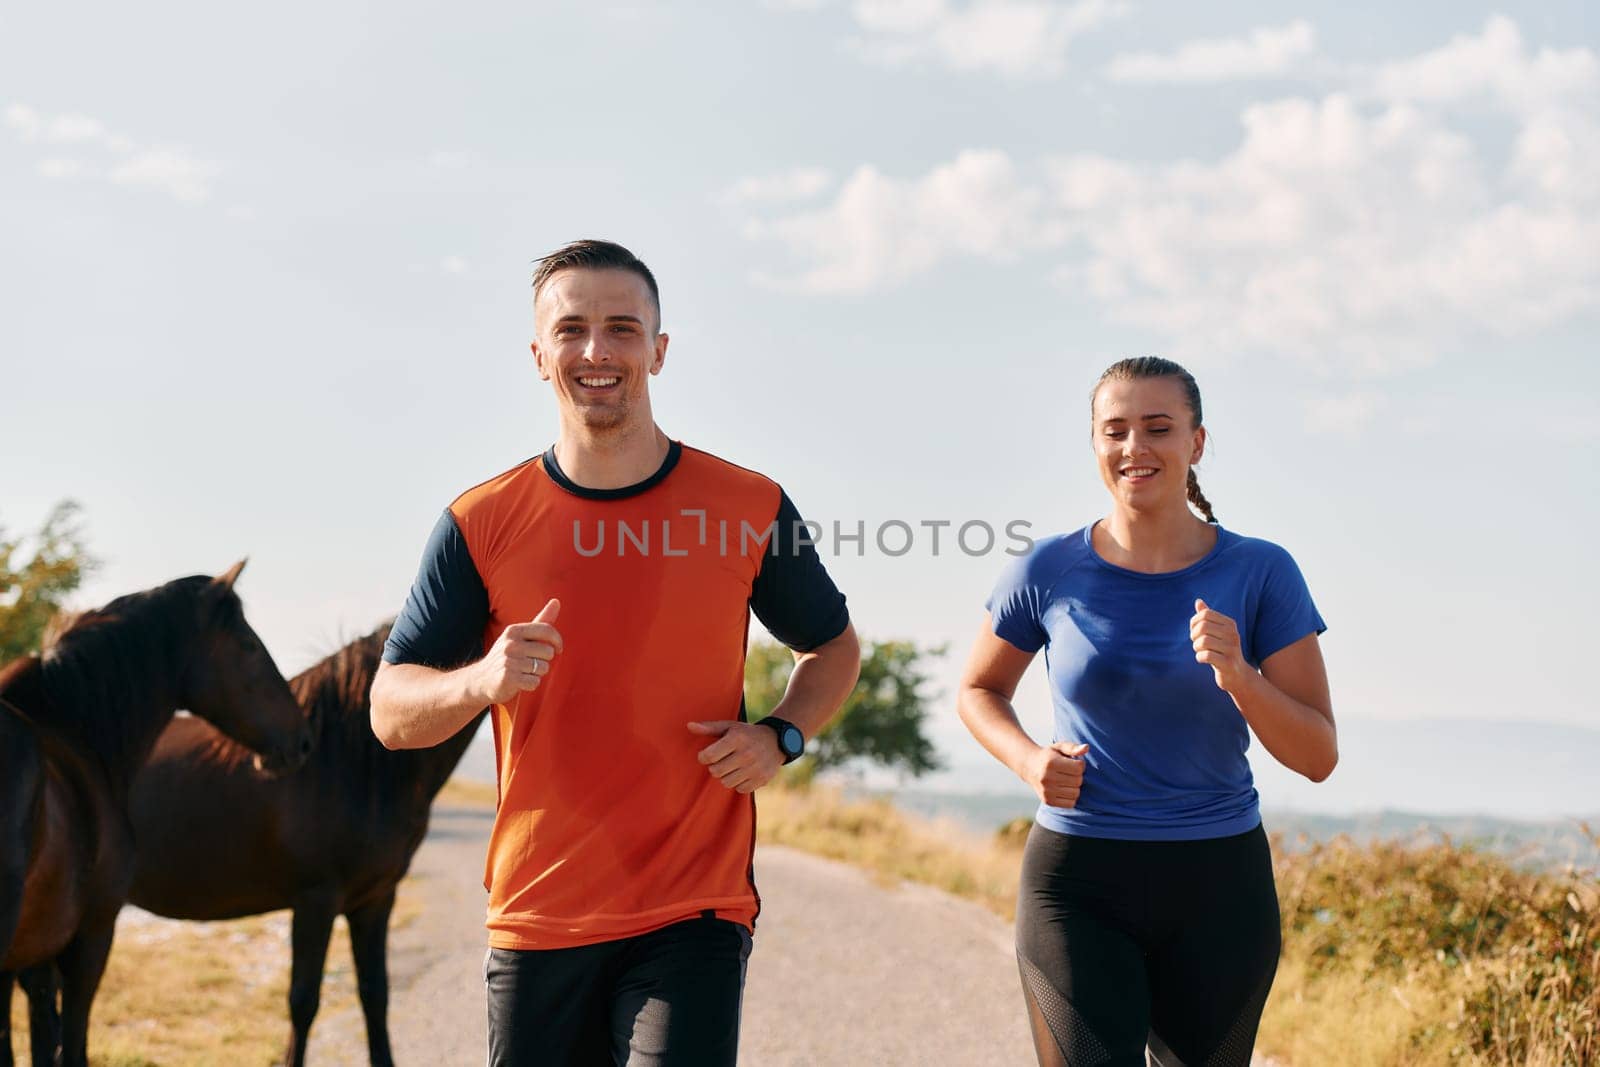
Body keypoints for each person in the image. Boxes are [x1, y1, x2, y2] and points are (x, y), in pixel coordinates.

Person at [369, 239, 860, 1066]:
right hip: (539, 907)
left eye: (623, 328)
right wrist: (481, 679)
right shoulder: (479, 522)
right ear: (538, 355)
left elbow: (833, 647)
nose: (597, 351)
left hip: (695, 904)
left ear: (659, 351)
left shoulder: (747, 503)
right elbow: (389, 713)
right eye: (572, 330)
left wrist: (781, 733)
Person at [956, 357, 1336, 1067]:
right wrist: (1029, 759)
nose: (1136, 448)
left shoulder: (1261, 572)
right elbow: (978, 689)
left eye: (1158, 428)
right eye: (1116, 430)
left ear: (1196, 442)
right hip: (1077, 880)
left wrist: (1239, 675)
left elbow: (1318, 755)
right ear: (1096, 444)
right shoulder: (1046, 569)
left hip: (1220, 886)